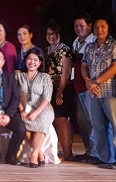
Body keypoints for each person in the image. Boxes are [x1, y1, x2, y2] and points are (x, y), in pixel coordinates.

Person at [81, 18, 116, 169]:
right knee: (98, 126)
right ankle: (103, 157)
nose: (99, 29)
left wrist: (96, 81)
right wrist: (88, 81)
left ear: (108, 28)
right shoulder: (89, 46)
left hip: (110, 92)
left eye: (102, 27)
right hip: (93, 93)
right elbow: (83, 65)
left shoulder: (114, 45)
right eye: (96, 27)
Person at [16, 48, 55, 168]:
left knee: (42, 121)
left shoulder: (45, 77)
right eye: (29, 59)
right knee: (22, 123)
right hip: (25, 108)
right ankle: (39, 152)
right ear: (25, 61)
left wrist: (37, 112)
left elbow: (47, 97)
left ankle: (33, 155)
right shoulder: (18, 75)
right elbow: (15, 94)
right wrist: (22, 110)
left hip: (43, 108)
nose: (32, 62)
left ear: (39, 63)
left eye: (35, 60)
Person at [44, 23, 74, 161]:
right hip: (49, 89)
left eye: (53, 34)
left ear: (59, 36)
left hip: (62, 88)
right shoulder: (46, 50)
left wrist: (60, 91)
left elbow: (66, 71)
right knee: (55, 119)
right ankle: (62, 150)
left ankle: (68, 152)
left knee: (62, 120)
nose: (51, 36)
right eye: (48, 34)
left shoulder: (65, 49)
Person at [71, 13, 98, 163]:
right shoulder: (75, 42)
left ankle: (97, 153)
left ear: (89, 25)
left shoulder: (94, 41)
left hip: (90, 87)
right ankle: (89, 151)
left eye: (82, 25)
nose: (79, 28)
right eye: (76, 26)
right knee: (82, 120)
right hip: (78, 87)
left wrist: (91, 82)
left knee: (93, 120)